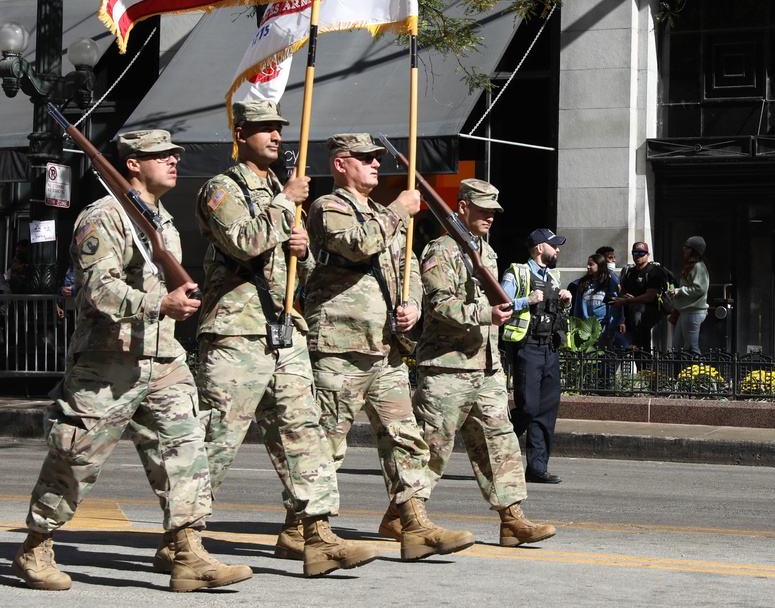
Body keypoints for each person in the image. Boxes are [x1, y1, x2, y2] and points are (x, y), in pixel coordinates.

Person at [11, 130, 252, 593]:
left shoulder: (163, 220)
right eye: (161, 156)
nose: (173, 161)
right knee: (76, 457)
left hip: (163, 359)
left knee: (185, 451)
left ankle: (187, 551)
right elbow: (99, 290)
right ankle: (35, 546)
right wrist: (160, 304)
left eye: (176, 154)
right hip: (108, 360)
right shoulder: (103, 216)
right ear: (134, 165)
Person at [193, 100, 379, 577]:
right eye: (264, 130)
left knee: (304, 431)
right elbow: (242, 242)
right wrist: (284, 206)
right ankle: (184, 538)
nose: (276, 137)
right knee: (218, 437)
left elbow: (299, 269)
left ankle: (315, 534)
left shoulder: (281, 190)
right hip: (237, 331)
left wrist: (302, 248)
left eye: (278, 129)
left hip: (284, 328)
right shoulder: (222, 188)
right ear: (241, 135)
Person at [305, 133, 474, 561]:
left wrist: (413, 304)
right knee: (327, 442)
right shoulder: (329, 208)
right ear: (342, 164)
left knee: (406, 437)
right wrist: (399, 210)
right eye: (365, 159)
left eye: (377, 159)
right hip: (341, 344)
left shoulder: (387, 214)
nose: (376, 165)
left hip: (386, 347)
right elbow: (357, 244)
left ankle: (413, 522)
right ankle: (309, 530)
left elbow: (409, 267)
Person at [412, 179, 556, 546]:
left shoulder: (486, 253)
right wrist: (485, 313)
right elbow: (440, 305)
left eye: (495, 210)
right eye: (484, 209)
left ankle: (512, 520)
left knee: (501, 443)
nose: (491, 216)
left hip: (486, 367)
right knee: (431, 448)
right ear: (462, 207)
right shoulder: (439, 250)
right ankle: (405, 516)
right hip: (446, 366)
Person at [501, 228, 572, 484]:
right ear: (540, 247)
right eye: (554, 245)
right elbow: (501, 304)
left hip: (550, 347)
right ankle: (498, 445)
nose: (558, 249)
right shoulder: (517, 273)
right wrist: (526, 300)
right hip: (527, 347)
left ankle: (537, 467)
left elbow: (554, 312)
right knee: (529, 407)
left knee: (547, 409)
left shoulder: (552, 276)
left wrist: (566, 302)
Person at [610, 241, 670, 353]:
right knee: (638, 331)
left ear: (647, 255)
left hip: (652, 309)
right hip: (634, 313)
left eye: (642, 253)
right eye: (635, 253)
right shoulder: (630, 272)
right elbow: (623, 291)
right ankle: (639, 360)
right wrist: (624, 296)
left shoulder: (653, 271)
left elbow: (650, 297)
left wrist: (629, 300)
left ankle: (645, 362)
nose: (638, 256)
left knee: (640, 321)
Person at [666, 236, 710, 355]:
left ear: (694, 250)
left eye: (687, 248)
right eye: (684, 247)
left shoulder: (698, 266)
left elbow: (699, 288)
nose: (684, 250)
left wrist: (679, 291)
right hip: (685, 311)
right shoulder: (692, 266)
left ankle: (701, 373)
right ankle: (679, 373)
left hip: (693, 312)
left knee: (692, 348)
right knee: (677, 347)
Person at [571, 253, 624, 349]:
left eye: (591, 264)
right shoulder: (583, 283)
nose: (588, 267)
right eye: (588, 264)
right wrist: (576, 324)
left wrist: (611, 329)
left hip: (603, 325)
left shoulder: (609, 282)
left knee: (601, 355)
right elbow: (578, 306)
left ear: (599, 265)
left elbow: (614, 306)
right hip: (585, 326)